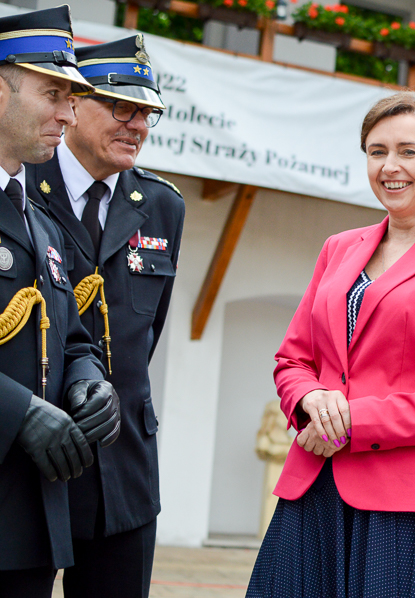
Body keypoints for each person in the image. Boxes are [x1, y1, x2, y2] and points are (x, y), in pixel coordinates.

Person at [245, 90, 415, 598]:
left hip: (410, 502)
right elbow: (292, 359)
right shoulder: (339, 247)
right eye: (376, 151)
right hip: (315, 490)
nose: (390, 166)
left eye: (409, 151)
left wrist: (352, 421)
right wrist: (308, 399)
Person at [25, 34, 183, 598]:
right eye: (121, 106)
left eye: (147, 114)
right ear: (72, 104)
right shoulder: (22, 188)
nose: (136, 125)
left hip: (126, 470)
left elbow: (147, 333)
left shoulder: (163, 206)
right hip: (33, 460)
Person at [0, 7, 120, 598]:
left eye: (73, 99)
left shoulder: (38, 219)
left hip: (29, 521)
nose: (69, 114)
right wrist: (17, 411)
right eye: (54, 94)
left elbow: (68, 334)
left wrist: (86, 380)